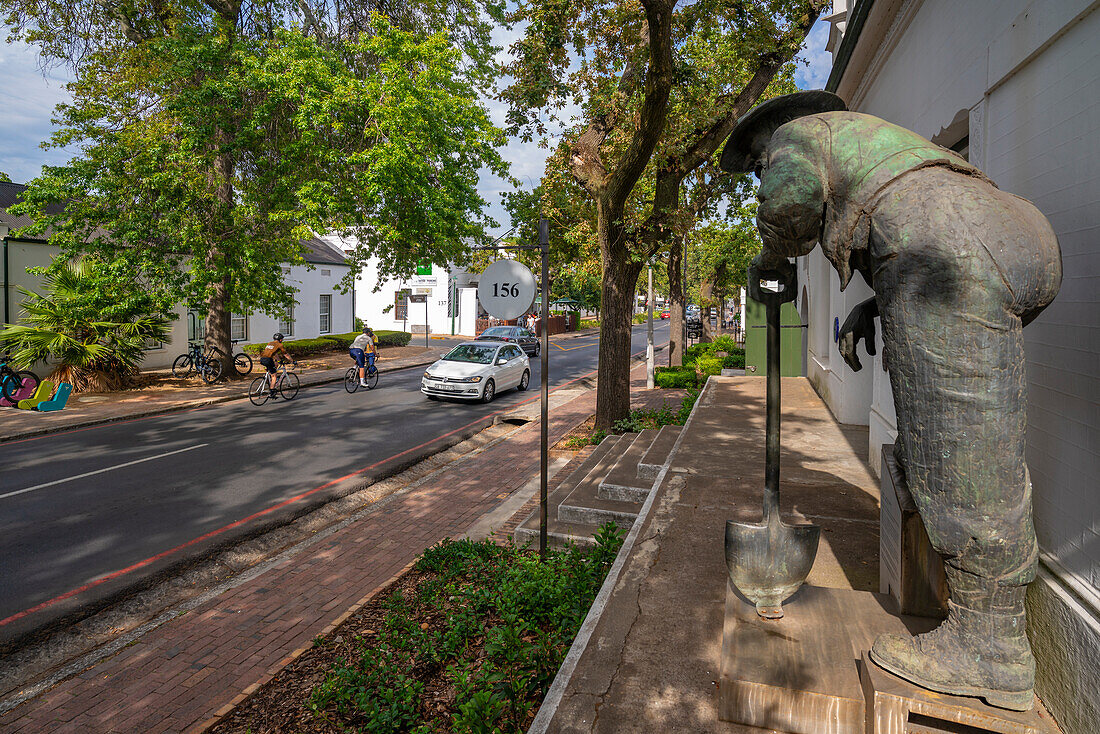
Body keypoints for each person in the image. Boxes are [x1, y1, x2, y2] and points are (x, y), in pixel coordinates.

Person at [721, 91, 1061, 710]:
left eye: (754, 168)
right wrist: (879, 302)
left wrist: (769, 259)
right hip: (1003, 228)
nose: (759, 176)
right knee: (969, 433)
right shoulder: (874, 140)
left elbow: (788, 204)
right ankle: (985, 621)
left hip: (940, 244)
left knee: (952, 448)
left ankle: (991, 647)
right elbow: (947, 228)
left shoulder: (795, 140)